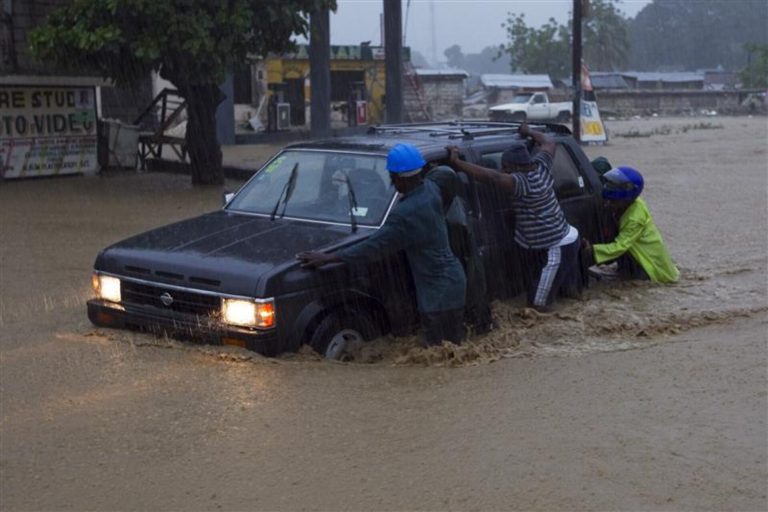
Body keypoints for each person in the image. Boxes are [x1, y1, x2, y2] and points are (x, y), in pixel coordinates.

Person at [297, 143, 467, 347]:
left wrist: (329, 257)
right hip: (453, 282)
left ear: (399, 177)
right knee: (453, 348)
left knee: (439, 352)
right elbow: (447, 174)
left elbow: (373, 247)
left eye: (392, 177)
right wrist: (453, 159)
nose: (392, 182)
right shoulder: (431, 188)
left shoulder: (405, 214)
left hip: (436, 293)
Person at [446, 123, 581, 312]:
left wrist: (457, 163)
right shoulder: (541, 166)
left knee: (536, 307)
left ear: (516, 167)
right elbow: (548, 142)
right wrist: (529, 132)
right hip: (559, 239)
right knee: (564, 294)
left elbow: (493, 178)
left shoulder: (523, 183)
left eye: (506, 167)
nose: (503, 170)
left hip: (556, 246)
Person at [582, 166, 679, 283]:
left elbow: (620, 247)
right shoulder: (630, 203)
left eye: (614, 202)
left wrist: (591, 249)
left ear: (626, 200)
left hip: (647, 263)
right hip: (635, 253)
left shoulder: (634, 218)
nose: (609, 204)